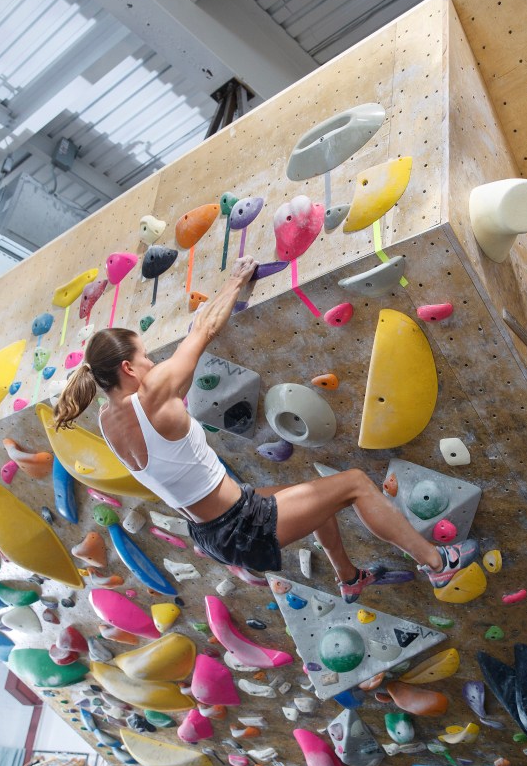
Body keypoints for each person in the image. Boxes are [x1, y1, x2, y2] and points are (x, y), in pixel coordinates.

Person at [53, 256, 471, 602]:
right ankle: (437, 564)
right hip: (240, 524)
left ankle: (349, 579)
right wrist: (237, 278)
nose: (151, 361)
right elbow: (203, 330)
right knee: (357, 484)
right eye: (144, 356)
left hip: (213, 529)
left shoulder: (108, 420)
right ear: (127, 368)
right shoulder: (154, 394)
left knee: (317, 499)